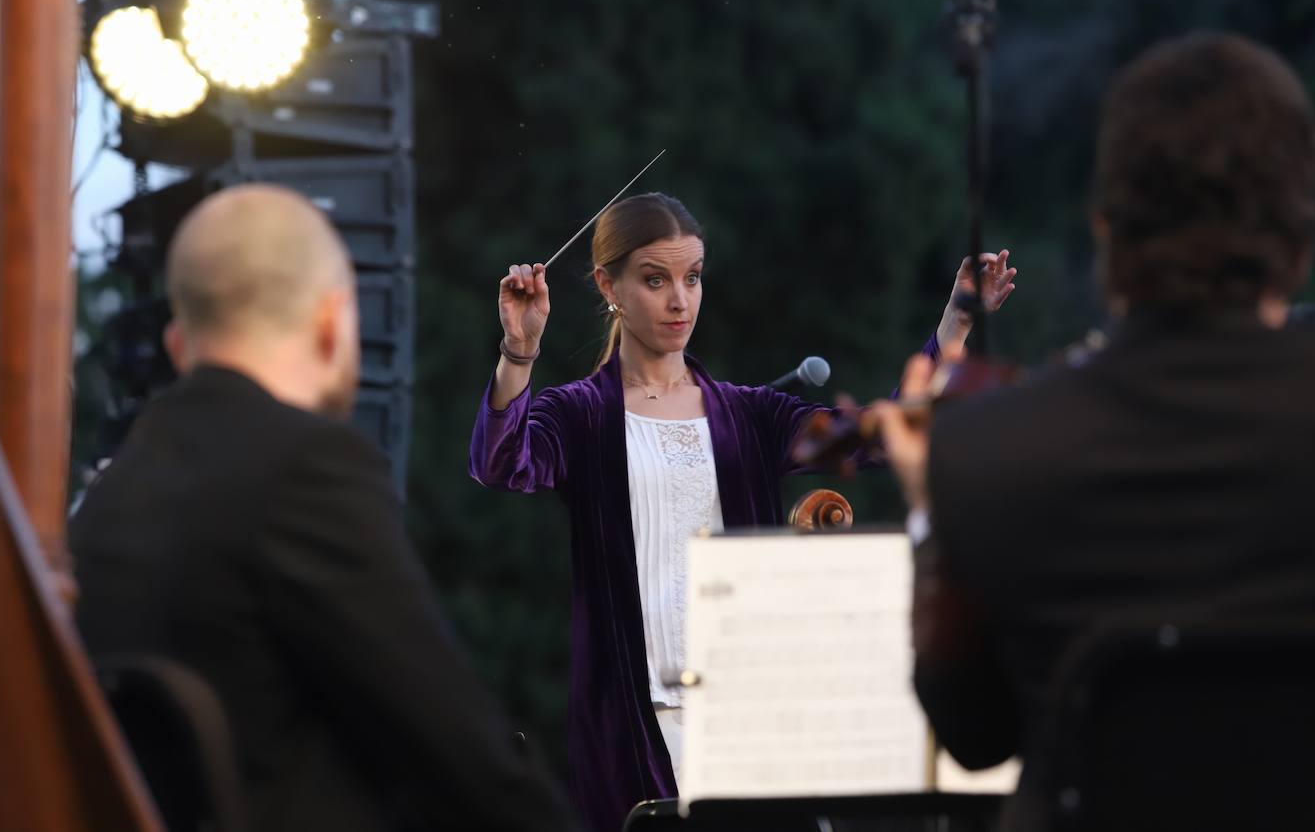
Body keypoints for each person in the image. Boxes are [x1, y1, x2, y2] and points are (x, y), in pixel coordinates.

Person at [875, 32, 1315, 831]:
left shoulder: (989, 454)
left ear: (1108, 232)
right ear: (1301, 240)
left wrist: (928, 516)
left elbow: (975, 736)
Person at [469, 192, 1016, 831]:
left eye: (693, 277)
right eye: (655, 279)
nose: (680, 300)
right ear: (607, 285)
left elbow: (881, 435)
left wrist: (956, 319)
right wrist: (519, 351)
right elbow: (501, 463)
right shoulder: (581, 413)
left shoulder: (746, 414)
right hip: (630, 723)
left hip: (746, 721)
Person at [71, 185, 577, 832]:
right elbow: (458, 753)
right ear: (332, 322)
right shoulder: (303, 468)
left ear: (178, 345)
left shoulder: (104, 499)